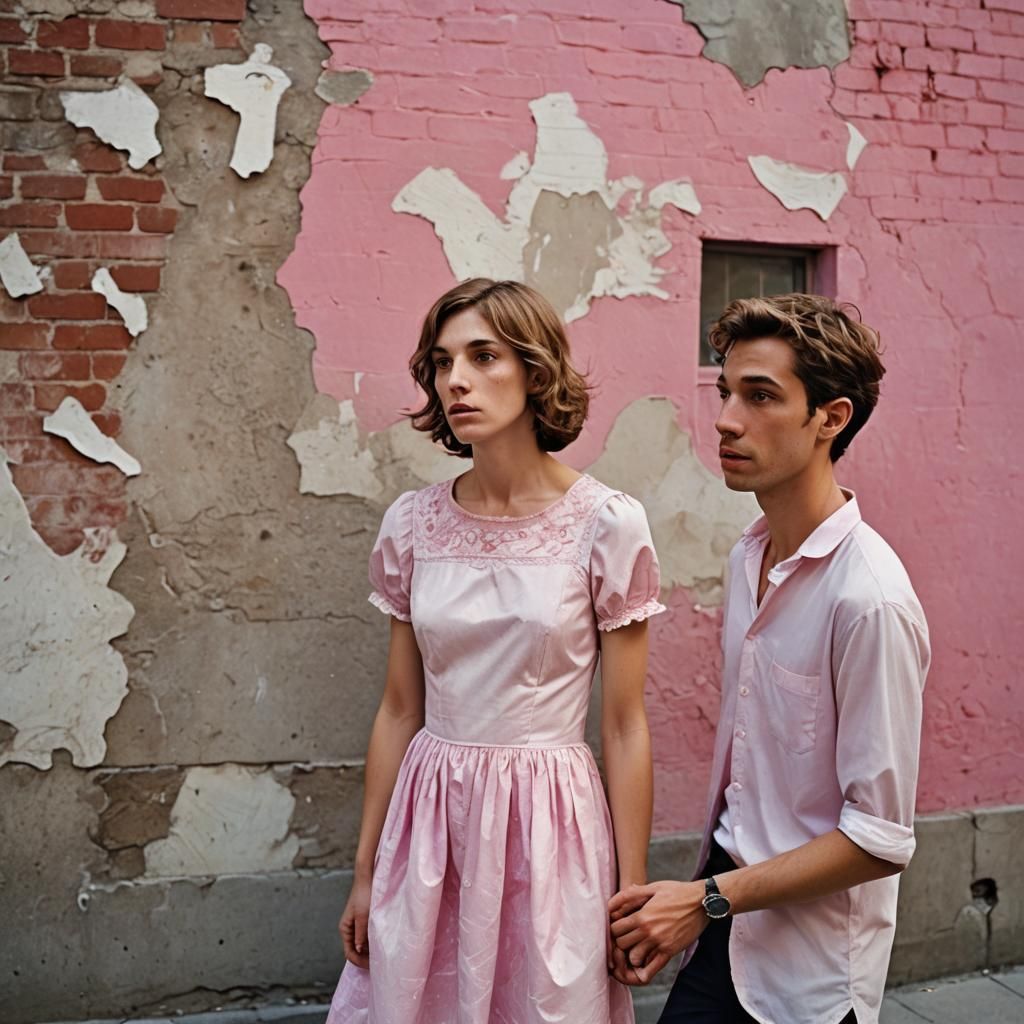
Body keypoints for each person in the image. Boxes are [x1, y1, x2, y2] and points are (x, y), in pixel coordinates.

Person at [327, 278, 665, 1023]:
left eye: (483, 356)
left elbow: (623, 725)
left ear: (536, 371)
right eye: (443, 362)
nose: (457, 380)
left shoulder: (607, 525)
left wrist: (630, 892)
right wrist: (364, 871)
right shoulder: (412, 525)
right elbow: (397, 709)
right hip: (431, 819)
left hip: (552, 824)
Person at [609, 294, 930, 1024]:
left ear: (831, 418)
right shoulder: (749, 555)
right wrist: (699, 898)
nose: (725, 419)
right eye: (727, 392)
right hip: (723, 921)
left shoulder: (869, 599)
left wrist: (707, 900)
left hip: (805, 981)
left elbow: (879, 839)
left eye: (761, 397)